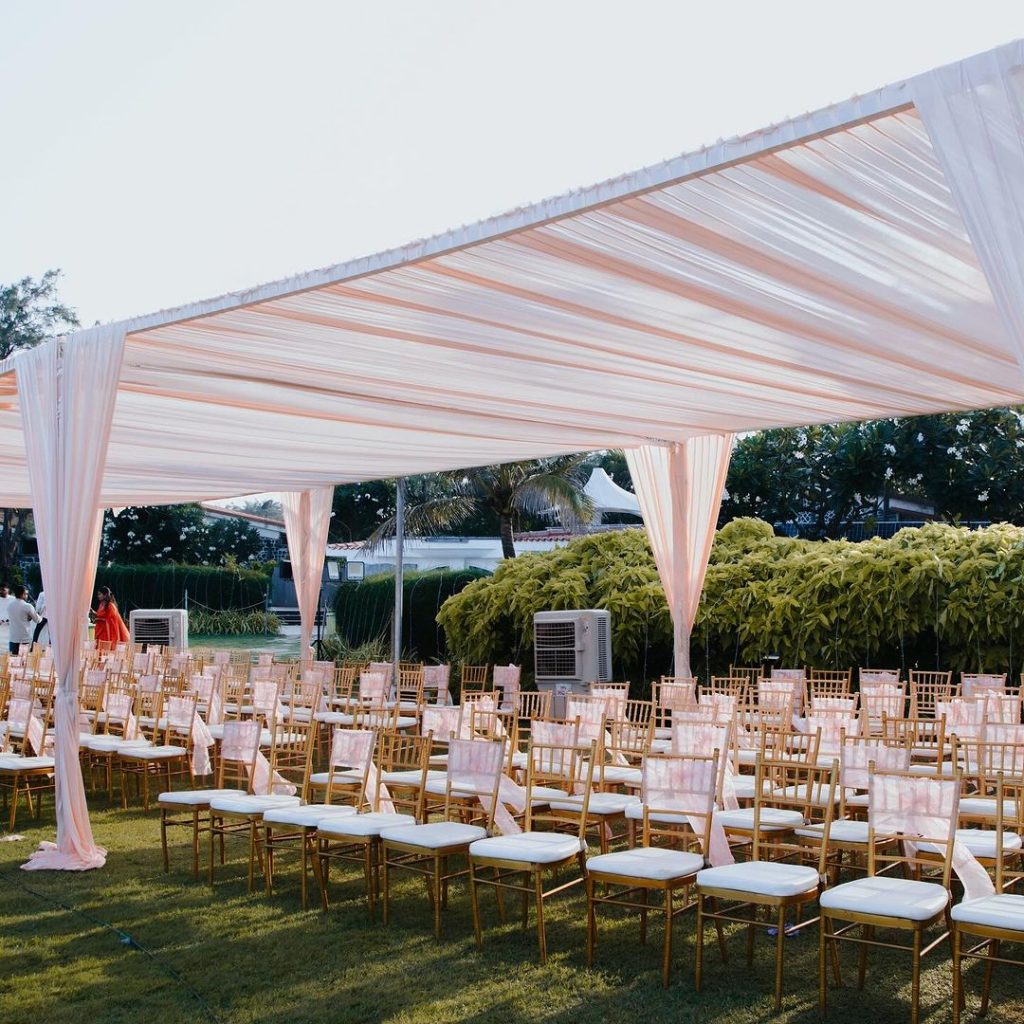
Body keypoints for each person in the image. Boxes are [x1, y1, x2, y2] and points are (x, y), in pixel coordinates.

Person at [8, 585, 40, 655]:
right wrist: (37, 613)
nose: (27, 596)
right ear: (23, 594)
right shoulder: (27, 606)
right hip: (25, 639)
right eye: (26, 594)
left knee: (13, 659)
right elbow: (38, 620)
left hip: (13, 638)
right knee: (24, 660)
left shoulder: (10, 605)